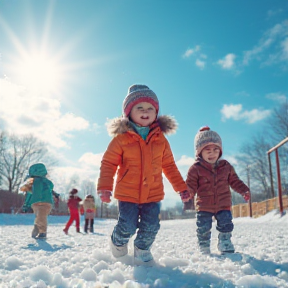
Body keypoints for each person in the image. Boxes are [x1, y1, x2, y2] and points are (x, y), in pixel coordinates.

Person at [97, 84, 188, 265]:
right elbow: (109, 163)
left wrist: (181, 188)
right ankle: (118, 240)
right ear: (129, 112)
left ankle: (142, 249)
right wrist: (105, 187)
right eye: (140, 107)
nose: (145, 111)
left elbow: (169, 165)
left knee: (151, 226)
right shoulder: (121, 138)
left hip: (153, 193)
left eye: (150, 108)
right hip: (127, 192)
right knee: (127, 225)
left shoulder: (160, 139)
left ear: (156, 113)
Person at [185, 126, 250, 254]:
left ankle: (225, 241)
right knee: (203, 227)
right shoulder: (195, 168)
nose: (212, 153)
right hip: (204, 205)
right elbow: (190, 185)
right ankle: (203, 244)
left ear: (220, 151)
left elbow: (235, 181)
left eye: (215, 149)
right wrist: (188, 194)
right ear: (199, 152)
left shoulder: (226, 166)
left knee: (226, 224)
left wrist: (244, 190)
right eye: (207, 149)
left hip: (223, 203)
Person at [19, 163, 54, 239]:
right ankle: (37, 226)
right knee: (40, 216)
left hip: (43, 202)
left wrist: (27, 204)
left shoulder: (35, 182)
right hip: (41, 202)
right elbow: (29, 194)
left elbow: (29, 194)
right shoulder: (46, 182)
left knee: (42, 216)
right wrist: (26, 205)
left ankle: (42, 232)